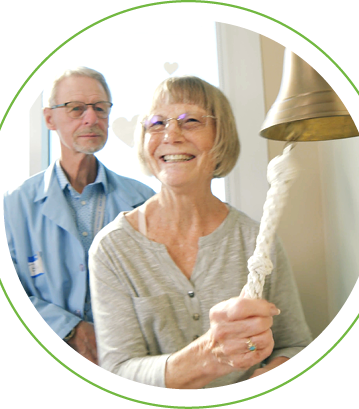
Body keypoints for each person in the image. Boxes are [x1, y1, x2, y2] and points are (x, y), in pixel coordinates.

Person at [89, 76, 312, 388]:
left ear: (221, 137)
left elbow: (295, 346)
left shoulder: (256, 240)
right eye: (156, 123)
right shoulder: (113, 248)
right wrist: (209, 356)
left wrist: (265, 379)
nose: (171, 135)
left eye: (190, 120)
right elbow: (118, 372)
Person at [3, 67, 155, 364]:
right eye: (76, 109)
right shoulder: (13, 204)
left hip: (132, 362)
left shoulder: (144, 200)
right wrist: (70, 329)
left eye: (100, 108)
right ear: (49, 118)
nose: (91, 118)